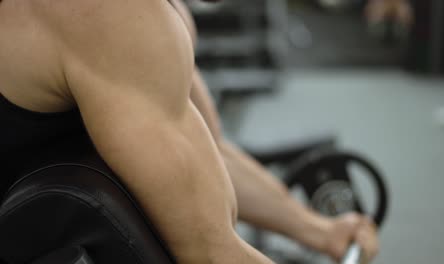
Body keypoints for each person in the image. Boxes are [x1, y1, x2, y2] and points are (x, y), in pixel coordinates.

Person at [0, 0, 378, 263]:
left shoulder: (160, 13)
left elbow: (207, 154)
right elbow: (211, 254)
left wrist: (317, 230)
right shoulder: (107, 14)